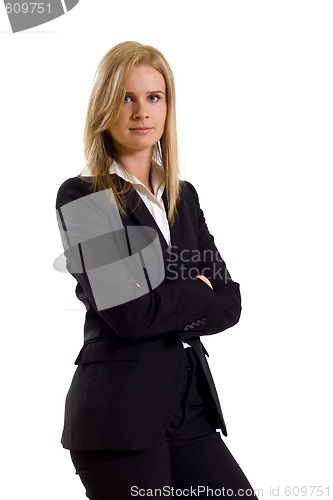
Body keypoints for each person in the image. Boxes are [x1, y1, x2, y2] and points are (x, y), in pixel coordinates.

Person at [55, 41, 258, 499]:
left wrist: (170, 294)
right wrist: (197, 289)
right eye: (127, 97)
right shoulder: (84, 197)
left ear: (168, 107)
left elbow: (231, 302)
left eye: (154, 97)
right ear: (105, 105)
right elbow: (129, 314)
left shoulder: (182, 196)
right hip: (118, 417)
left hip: (190, 409)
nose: (141, 111)